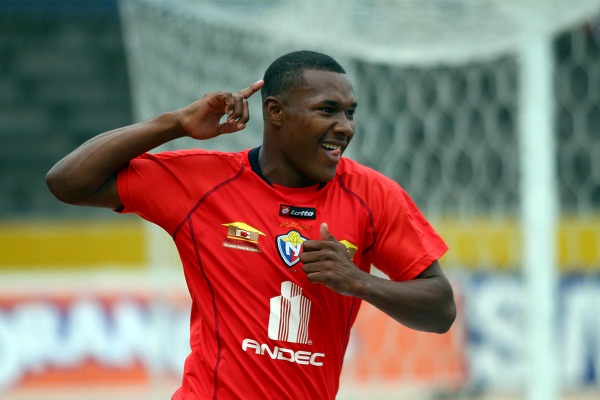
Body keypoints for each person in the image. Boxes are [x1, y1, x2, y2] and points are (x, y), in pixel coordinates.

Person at [46, 50, 456, 400]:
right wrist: (174, 124)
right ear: (275, 112)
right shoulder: (203, 183)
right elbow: (67, 182)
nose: (345, 126)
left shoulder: (373, 195)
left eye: (349, 113)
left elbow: (440, 309)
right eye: (327, 110)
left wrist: (358, 282)